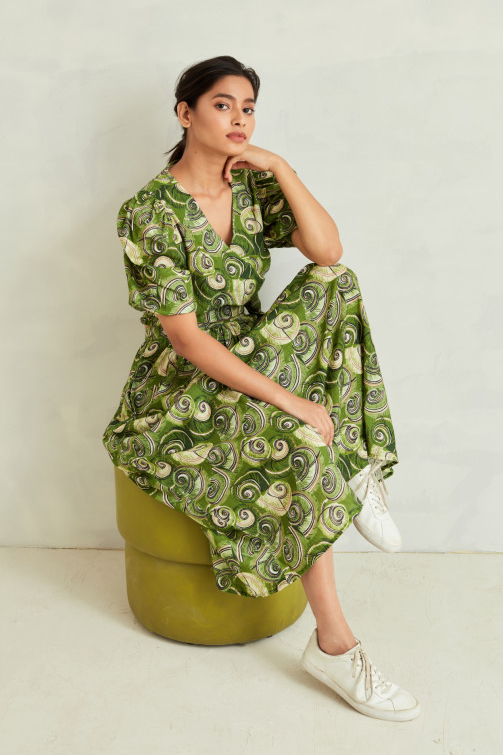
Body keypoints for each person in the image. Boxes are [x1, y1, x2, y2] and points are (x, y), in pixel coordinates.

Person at [102, 54, 421, 721]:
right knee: (301, 439)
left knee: (337, 281)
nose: (239, 118)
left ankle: (356, 469)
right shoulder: (150, 212)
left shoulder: (250, 187)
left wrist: (281, 167)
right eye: (223, 104)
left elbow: (327, 251)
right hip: (180, 387)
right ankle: (336, 646)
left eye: (248, 107)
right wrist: (292, 401)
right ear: (185, 113)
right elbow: (187, 341)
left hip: (252, 354)